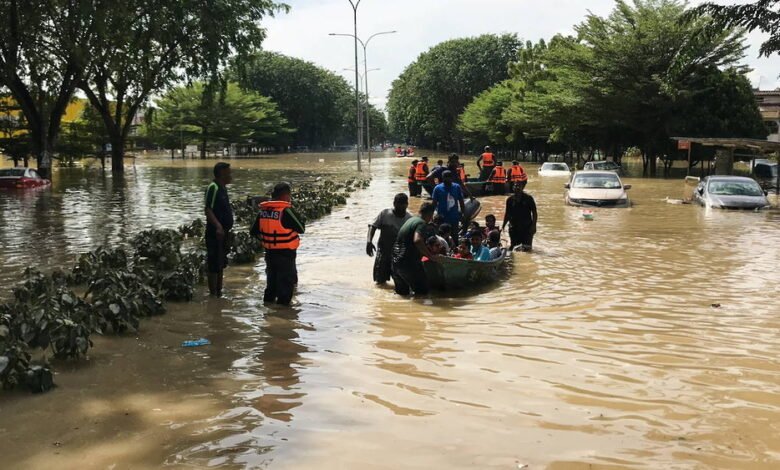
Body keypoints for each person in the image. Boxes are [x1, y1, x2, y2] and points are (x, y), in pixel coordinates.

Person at [251, 182, 306, 305]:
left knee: (271, 286)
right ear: (286, 196)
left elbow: (253, 231)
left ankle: (268, 313)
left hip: (270, 254)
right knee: (286, 289)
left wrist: (267, 240)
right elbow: (301, 228)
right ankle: (283, 318)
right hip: (285, 255)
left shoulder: (262, 212)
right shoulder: (286, 211)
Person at [391, 203, 438, 296]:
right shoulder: (421, 223)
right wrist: (430, 256)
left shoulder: (410, 220)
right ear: (430, 214)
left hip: (395, 263)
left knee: (402, 295)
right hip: (408, 263)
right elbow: (417, 240)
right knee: (422, 293)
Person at [367, 193, 412, 284]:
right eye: (399, 205)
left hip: (399, 253)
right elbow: (372, 226)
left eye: (403, 205)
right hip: (384, 251)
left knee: (401, 281)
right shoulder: (385, 214)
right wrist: (369, 242)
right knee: (380, 282)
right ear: (394, 204)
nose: (401, 208)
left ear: (407, 205)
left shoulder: (409, 218)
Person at [204, 162, 234, 297]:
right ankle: (213, 294)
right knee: (214, 263)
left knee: (221, 262)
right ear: (222, 174)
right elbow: (208, 209)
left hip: (224, 233)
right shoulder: (213, 187)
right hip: (215, 233)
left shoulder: (223, 188)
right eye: (229, 173)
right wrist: (218, 226)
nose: (231, 175)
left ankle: (219, 292)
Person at [502, 181, 538, 251]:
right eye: (515, 186)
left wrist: (534, 226)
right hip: (514, 228)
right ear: (513, 188)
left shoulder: (528, 198)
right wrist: (503, 226)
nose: (517, 187)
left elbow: (534, 213)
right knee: (514, 248)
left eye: (519, 186)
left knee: (527, 249)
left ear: (522, 187)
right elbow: (507, 214)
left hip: (527, 228)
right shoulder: (509, 200)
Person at [431, 170, 466, 234]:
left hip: (454, 217)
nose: (447, 179)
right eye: (445, 177)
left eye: (449, 177)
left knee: (454, 235)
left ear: (452, 177)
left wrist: (463, 214)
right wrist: (431, 216)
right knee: (442, 234)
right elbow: (434, 203)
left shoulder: (457, 187)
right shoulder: (437, 188)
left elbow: (461, 201)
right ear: (442, 177)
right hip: (442, 217)